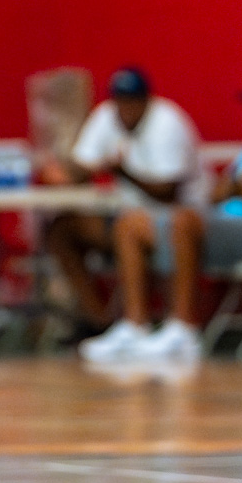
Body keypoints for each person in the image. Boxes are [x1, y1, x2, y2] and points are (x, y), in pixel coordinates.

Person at [82, 73, 242, 364]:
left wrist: (239, 185)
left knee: (183, 219)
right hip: (219, 228)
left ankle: (184, 329)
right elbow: (216, 192)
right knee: (129, 224)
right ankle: (135, 327)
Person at [37, 67, 203, 334]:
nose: (125, 109)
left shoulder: (168, 122)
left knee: (128, 226)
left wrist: (122, 172)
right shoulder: (106, 116)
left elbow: (167, 194)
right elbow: (83, 167)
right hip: (128, 215)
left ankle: (139, 324)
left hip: (175, 218)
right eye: (120, 101)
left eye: (132, 102)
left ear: (146, 100)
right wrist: (60, 171)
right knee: (62, 230)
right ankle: (101, 322)